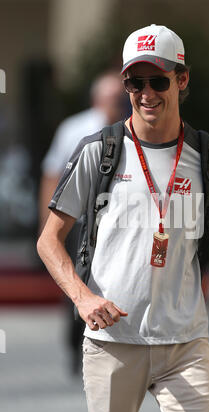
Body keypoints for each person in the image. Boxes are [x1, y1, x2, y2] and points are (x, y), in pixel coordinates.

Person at [37, 24, 209, 412]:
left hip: (186, 348)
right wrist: (83, 298)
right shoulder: (99, 151)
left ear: (182, 79)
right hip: (111, 347)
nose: (146, 94)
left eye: (158, 80)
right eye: (134, 82)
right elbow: (49, 242)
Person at [38, 71, 127, 374]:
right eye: (114, 96)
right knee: (78, 278)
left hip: (116, 221)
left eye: (121, 95)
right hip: (79, 220)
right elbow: (52, 173)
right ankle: (77, 346)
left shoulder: (133, 130)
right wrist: (46, 223)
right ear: (97, 99)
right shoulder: (74, 128)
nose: (119, 101)